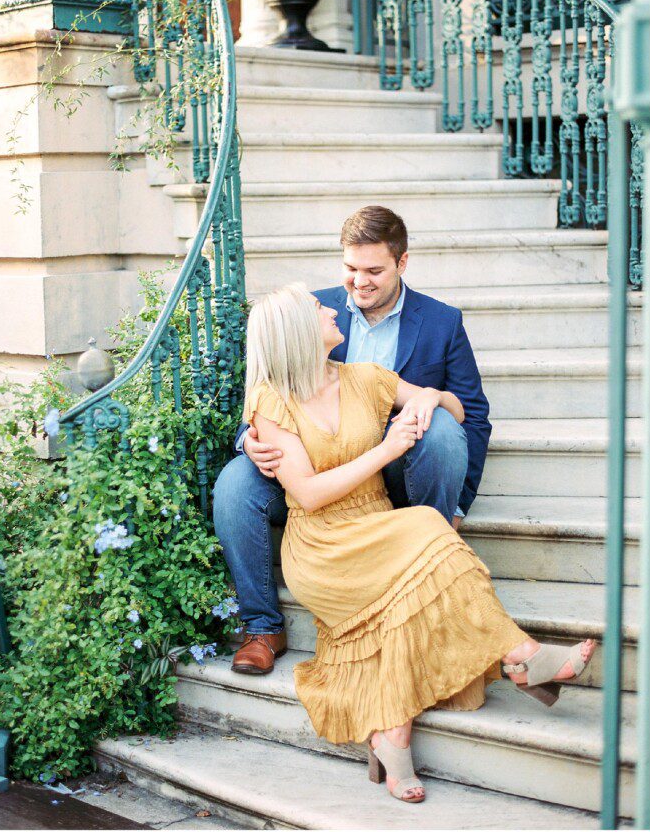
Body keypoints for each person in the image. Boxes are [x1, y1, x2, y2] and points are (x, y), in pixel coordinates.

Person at [241, 282, 595, 804]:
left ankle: (393, 736)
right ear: (297, 332)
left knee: (406, 592)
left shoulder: (365, 377)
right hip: (322, 544)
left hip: (377, 524)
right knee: (430, 529)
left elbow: (457, 408)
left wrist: (430, 397)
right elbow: (309, 494)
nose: (332, 309)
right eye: (318, 309)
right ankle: (522, 657)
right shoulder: (272, 402)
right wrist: (388, 450)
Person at [213, 206, 490, 675]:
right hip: (313, 462)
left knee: (443, 428)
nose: (358, 282)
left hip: (400, 466)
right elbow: (268, 382)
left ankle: (432, 554)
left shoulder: (441, 322)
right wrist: (249, 439)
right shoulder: (313, 310)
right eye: (350, 268)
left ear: (402, 263)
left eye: (374, 271)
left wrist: (458, 500)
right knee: (235, 483)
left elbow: (473, 415)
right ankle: (262, 626)